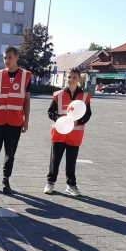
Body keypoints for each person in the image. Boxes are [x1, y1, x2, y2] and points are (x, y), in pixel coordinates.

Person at [0, 46, 32, 195]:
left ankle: (6, 182)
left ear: (17, 58)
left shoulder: (26, 76)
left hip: (15, 122)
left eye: (10, 57)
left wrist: (26, 121)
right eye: (5, 58)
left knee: (10, 154)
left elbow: (27, 100)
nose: (7, 60)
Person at [44, 67, 92, 197]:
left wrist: (79, 120)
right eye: (69, 77)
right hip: (59, 133)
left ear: (79, 79)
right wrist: (59, 119)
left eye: (74, 77)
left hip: (75, 135)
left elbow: (88, 114)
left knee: (71, 161)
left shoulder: (85, 96)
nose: (71, 80)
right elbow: (50, 112)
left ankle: (71, 185)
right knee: (55, 160)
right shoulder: (58, 95)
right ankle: (50, 182)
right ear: (66, 78)